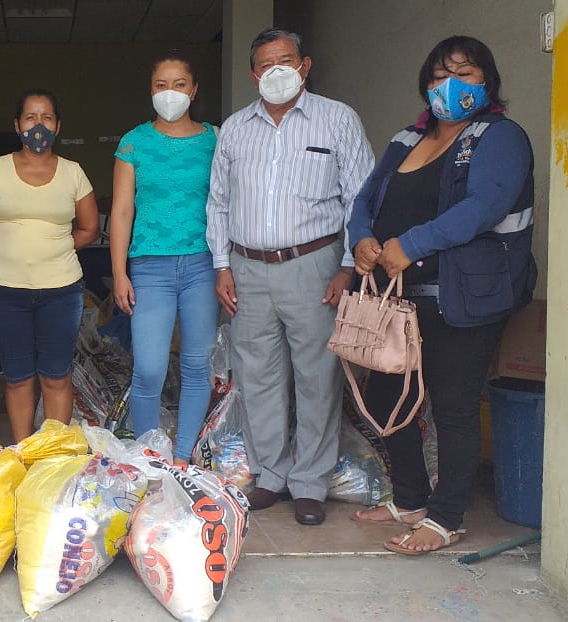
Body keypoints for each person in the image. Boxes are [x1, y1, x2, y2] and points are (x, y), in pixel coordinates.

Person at [346, 36, 535, 554]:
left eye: (464, 74)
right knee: (386, 398)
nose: (449, 85)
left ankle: (446, 516)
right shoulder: (407, 137)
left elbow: (484, 206)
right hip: (398, 297)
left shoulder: (500, 136)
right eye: (438, 76)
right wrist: (361, 239)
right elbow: (366, 198)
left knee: (453, 406)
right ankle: (410, 498)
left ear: (487, 81)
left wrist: (409, 245)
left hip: (464, 297)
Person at [206, 28, 374, 525]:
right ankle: (270, 475)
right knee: (256, 375)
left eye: (286, 60)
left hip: (315, 265)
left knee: (317, 375)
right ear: (253, 73)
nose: (276, 70)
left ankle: (310, 483)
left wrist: (348, 267)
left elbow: (361, 197)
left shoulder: (338, 119)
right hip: (246, 268)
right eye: (266, 63)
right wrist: (221, 265)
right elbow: (218, 203)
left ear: (305, 66)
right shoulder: (234, 129)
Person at [0, 89, 100, 442]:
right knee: (18, 378)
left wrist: (56, 246)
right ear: (17, 124)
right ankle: (23, 451)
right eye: (31, 117)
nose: (39, 125)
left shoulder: (73, 172)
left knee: (56, 377)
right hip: (6, 292)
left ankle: (52, 455)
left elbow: (89, 228)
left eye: (47, 118)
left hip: (61, 292)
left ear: (58, 126)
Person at [110, 51, 218, 464]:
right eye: (161, 85)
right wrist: (119, 272)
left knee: (196, 366)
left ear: (194, 90)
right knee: (149, 368)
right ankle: (148, 458)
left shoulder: (216, 139)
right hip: (149, 267)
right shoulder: (133, 142)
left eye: (179, 84)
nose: (170, 92)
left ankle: (183, 457)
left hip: (202, 264)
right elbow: (122, 211)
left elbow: (228, 204)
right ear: (150, 90)